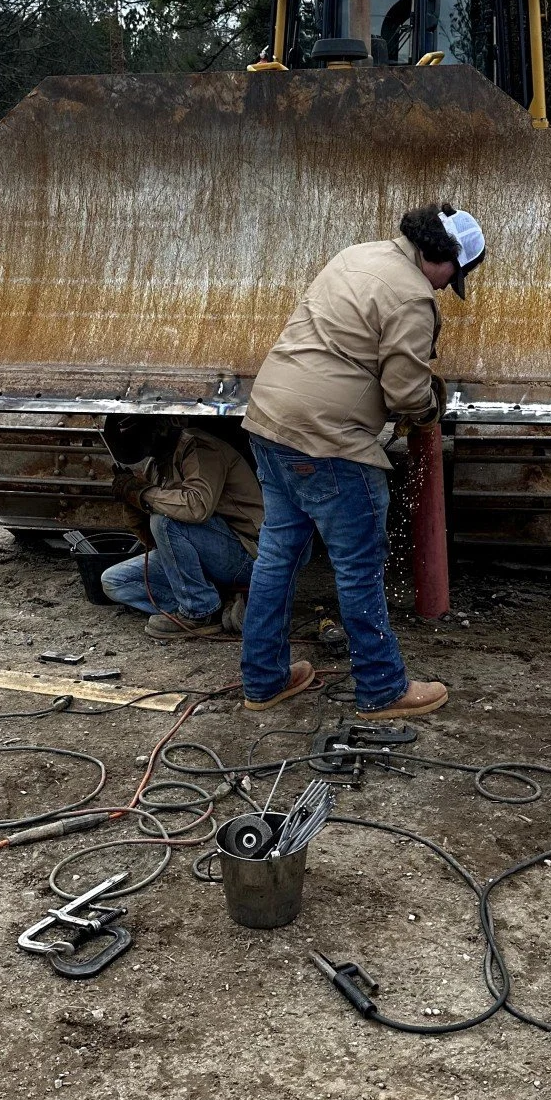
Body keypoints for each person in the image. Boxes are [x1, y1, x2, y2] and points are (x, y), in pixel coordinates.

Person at [240, 202, 486, 716]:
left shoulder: (355, 255)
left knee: (277, 557)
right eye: (453, 276)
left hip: (269, 418)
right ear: (443, 258)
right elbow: (404, 392)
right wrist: (429, 407)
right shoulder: (414, 298)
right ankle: (382, 687)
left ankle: (263, 681)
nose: (446, 287)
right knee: (358, 570)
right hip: (329, 441)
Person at [98, 418, 264, 639]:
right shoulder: (156, 465)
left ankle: (199, 612)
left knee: (165, 520)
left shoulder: (201, 448)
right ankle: (217, 605)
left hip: (248, 556)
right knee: (115, 581)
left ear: (161, 427)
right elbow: (152, 540)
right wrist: (131, 498)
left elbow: (196, 507)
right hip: (210, 559)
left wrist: (143, 494)